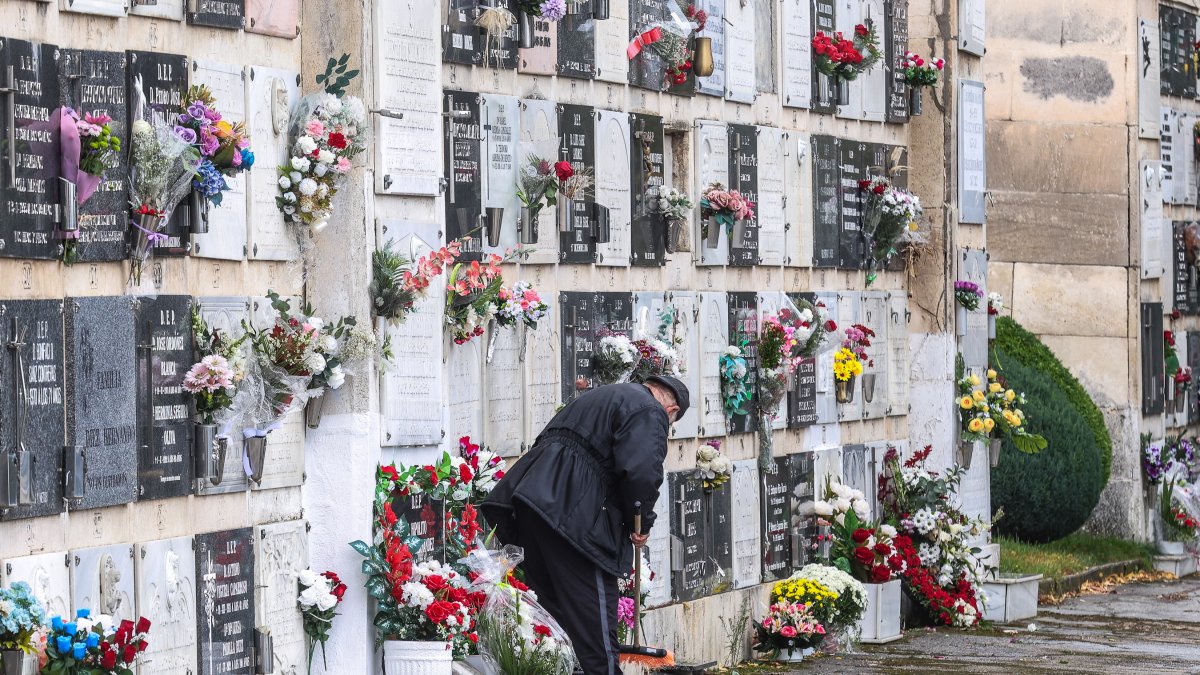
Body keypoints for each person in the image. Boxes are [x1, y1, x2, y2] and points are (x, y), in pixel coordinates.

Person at [481, 375, 690, 675]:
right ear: (671, 411)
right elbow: (642, 471)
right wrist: (641, 522)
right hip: (575, 519)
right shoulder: (649, 409)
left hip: (532, 503)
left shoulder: (603, 395)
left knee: (559, 617)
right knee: (594, 623)